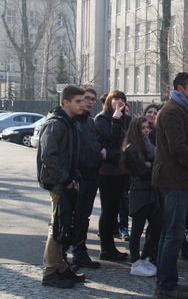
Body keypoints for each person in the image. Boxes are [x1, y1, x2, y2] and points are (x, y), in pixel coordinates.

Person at [153, 72, 188, 299]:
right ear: (180, 89)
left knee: (170, 232)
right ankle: (166, 285)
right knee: (174, 234)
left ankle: (167, 280)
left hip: (178, 179)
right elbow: (178, 147)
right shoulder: (173, 110)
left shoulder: (182, 109)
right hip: (173, 179)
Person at [37, 85, 86, 288]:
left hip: (64, 182)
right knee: (56, 228)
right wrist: (65, 180)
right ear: (66, 102)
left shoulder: (68, 122)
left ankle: (60, 267)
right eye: (78, 101)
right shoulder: (56, 124)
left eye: (83, 100)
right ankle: (50, 272)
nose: (83, 104)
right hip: (58, 184)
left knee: (61, 226)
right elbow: (49, 156)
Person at [66, 87, 105, 269]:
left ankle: (80, 253)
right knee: (73, 217)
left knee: (84, 217)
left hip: (92, 175)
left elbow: (94, 144)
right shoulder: (72, 122)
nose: (88, 102)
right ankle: (64, 256)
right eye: (85, 99)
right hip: (78, 177)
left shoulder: (89, 121)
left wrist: (99, 157)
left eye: (91, 100)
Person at [121, 117, 162, 277]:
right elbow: (141, 171)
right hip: (139, 191)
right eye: (143, 128)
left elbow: (156, 163)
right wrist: (153, 166)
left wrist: (151, 164)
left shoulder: (149, 146)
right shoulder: (131, 149)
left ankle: (145, 257)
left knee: (157, 226)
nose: (147, 130)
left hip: (151, 191)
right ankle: (136, 262)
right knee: (137, 229)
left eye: (148, 127)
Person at [94, 90, 129, 261]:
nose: (119, 102)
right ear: (109, 100)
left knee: (114, 209)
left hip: (119, 170)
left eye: (122, 100)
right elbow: (112, 137)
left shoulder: (121, 119)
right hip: (107, 171)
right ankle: (106, 249)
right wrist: (116, 117)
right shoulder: (102, 118)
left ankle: (110, 247)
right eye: (116, 99)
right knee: (108, 210)